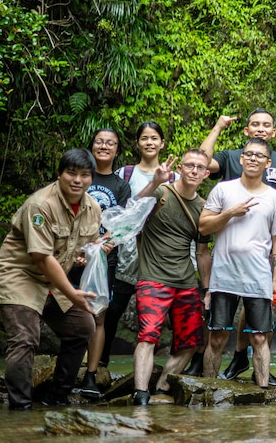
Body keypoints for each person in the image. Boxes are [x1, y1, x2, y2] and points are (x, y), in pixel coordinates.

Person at [0, 148, 101, 410]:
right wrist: (73, 293)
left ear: (91, 179)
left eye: (85, 175)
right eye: (71, 173)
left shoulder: (92, 208)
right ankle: (21, 407)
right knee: (25, 338)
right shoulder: (40, 205)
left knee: (83, 327)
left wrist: (93, 250)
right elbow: (42, 257)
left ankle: (57, 397)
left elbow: (87, 244)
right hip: (20, 275)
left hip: (53, 280)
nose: (77, 180)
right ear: (60, 174)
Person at [200, 109, 276, 380]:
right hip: (224, 275)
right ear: (241, 157)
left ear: (269, 163)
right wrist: (229, 214)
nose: (253, 159)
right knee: (218, 335)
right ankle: (208, 392)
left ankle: (263, 395)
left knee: (259, 337)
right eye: (249, 155)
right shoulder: (223, 189)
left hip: (258, 275)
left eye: (259, 156)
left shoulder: (275, 196)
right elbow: (203, 225)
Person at [130, 150, 212, 405]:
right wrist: (155, 181)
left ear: (207, 174)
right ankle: (141, 393)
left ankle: (164, 385)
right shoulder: (161, 193)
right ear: (181, 168)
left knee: (191, 340)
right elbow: (134, 208)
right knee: (148, 335)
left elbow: (202, 252)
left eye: (200, 167)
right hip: (153, 278)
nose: (194, 171)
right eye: (190, 165)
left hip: (186, 282)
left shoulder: (203, 208)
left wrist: (207, 290)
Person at [107, 122, 179, 373]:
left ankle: (171, 370)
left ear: (162, 143)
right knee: (113, 310)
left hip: (163, 255)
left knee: (170, 314)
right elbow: (119, 213)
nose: (149, 142)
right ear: (137, 143)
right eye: (144, 138)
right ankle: (101, 364)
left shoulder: (176, 177)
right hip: (128, 253)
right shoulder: (124, 175)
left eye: (154, 138)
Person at [76, 128, 132, 398]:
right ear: (92, 145)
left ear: (117, 151)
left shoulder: (121, 186)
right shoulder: (81, 176)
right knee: (69, 309)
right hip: (74, 253)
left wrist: (105, 243)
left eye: (111, 143)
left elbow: (121, 223)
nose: (104, 146)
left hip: (103, 258)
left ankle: (90, 374)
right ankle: (69, 368)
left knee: (98, 314)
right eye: (100, 142)